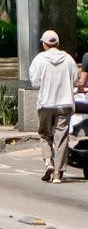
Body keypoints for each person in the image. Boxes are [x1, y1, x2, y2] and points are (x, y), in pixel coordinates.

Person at [30, 30, 83, 183]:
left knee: (45, 134)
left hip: (46, 103)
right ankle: (58, 174)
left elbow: (35, 81)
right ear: (57, 43)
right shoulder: (68, 59)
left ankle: (48, 162)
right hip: (65, 103)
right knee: (61, 138)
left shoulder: (39, 59)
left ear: (44, 44)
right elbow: (75, 80)